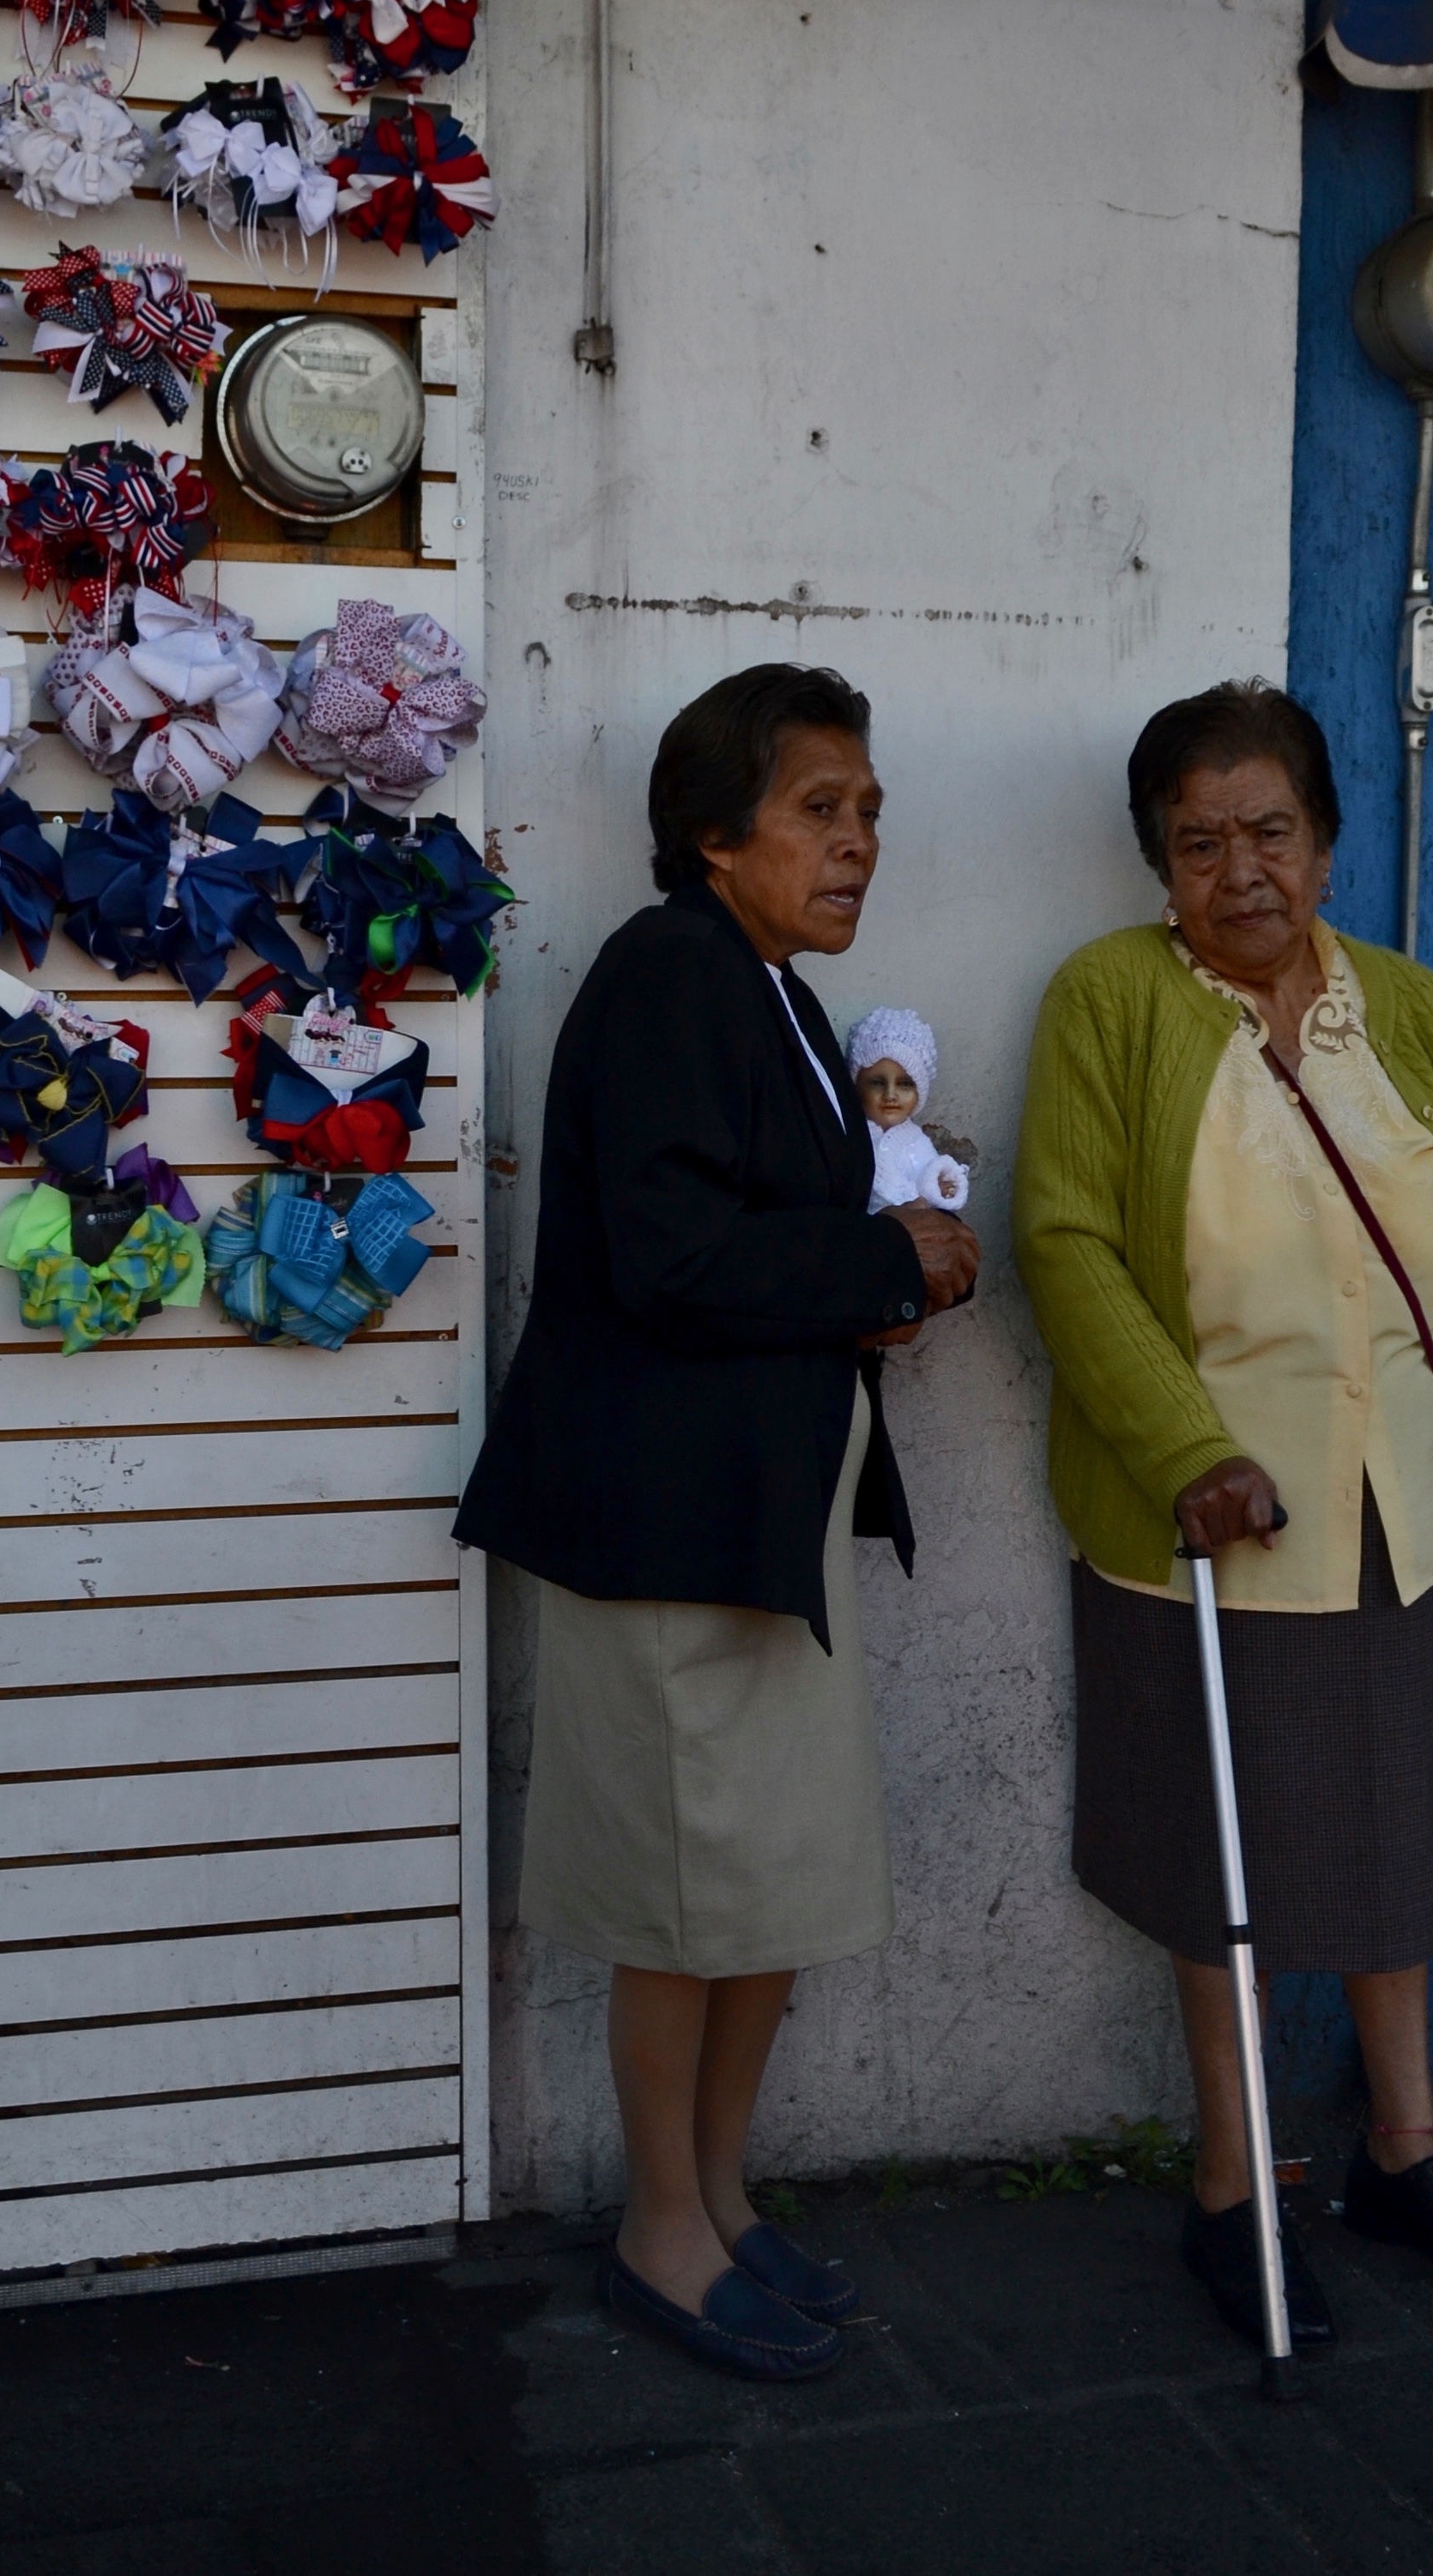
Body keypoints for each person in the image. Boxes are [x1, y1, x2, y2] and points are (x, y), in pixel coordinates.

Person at [1011, 680, 1433, 2356]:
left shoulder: (1412, 1004)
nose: (1237, 867)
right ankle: (1231, 2185)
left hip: (1399, 1503)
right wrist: (1183, 1441)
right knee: (1223, 1856)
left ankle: (1403, 2145)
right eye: (1197, 840)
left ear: (1323, 840)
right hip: (1210, 1522)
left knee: (1389, 1838)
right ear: (1157, 862)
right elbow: (1065, 1240)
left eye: (1267, 830)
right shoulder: (1110, 998)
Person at [457, 664, 979, 2382]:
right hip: (665, 1528)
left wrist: (882, 1276)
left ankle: (723, 2197)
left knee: (763, 1883)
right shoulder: (672, 969)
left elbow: (771, 1246)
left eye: (869, 810)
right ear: (712, 831)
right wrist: (882, 1263)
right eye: (820, 808)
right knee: (685, 1896)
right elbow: (674, 1258)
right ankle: (657, 2230)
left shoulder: (771, 996)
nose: (856, 843)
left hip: (756, 1520)